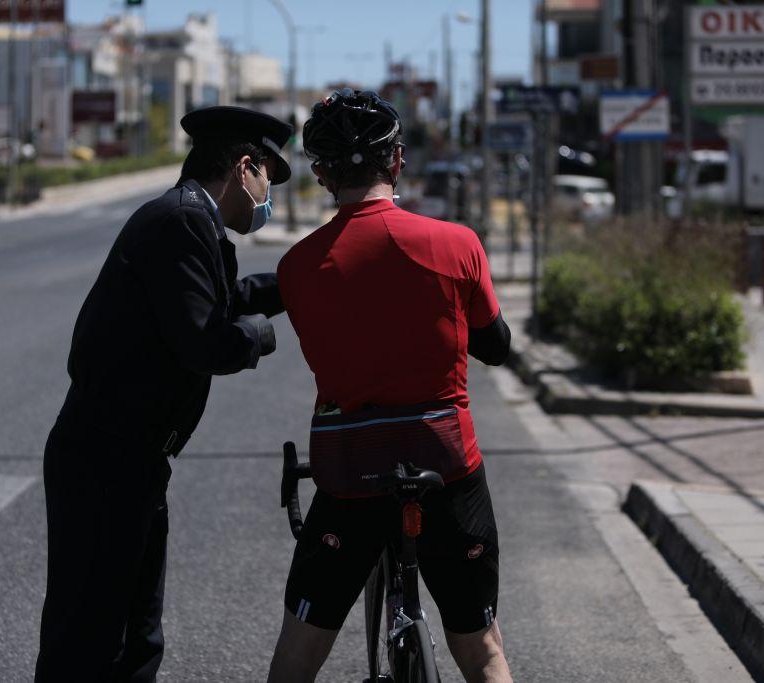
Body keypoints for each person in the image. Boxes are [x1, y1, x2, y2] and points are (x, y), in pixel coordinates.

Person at [35, 106, 293, 681]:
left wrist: (298, 282)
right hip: (105, 461)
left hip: (132, 461)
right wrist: (259, 336)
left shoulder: (194, 222)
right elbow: (208, 341)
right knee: (89, 640)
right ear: (243, 166)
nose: (267, 194)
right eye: (267, 179)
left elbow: (224, 297)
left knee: (135, 637)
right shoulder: (180, 222)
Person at [267, 89, 513, 683]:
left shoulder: (297, 266)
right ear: (397, 163)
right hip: (445, 469)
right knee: (482, 651)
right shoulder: (456, 245)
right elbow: (497, 347)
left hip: (351, 474)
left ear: (321, 174)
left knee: (297, 658)